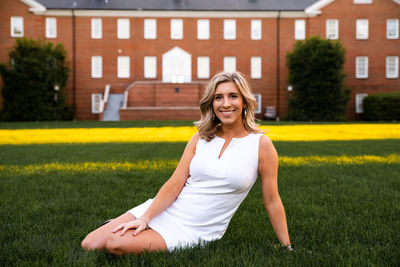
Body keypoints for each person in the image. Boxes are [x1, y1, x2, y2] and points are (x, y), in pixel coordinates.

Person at [81, 71, 292, 255]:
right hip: (167, 208)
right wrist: (145, 218)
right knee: (89, 244)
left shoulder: (261, 145)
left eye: (233, 96)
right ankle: (135, 225)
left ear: (245, 101)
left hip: (195, 227)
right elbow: (175, 183)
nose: (225, 103)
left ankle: (130, 230)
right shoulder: (200, 137)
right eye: (218, 97)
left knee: (115, 244)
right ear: (211, 103)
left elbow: (272, 200)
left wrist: (286, 246)